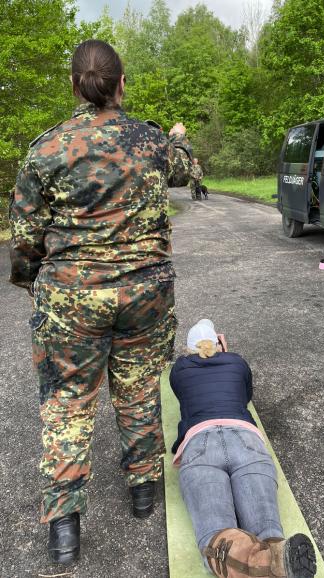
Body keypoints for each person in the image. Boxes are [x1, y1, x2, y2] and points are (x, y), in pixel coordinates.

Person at [9, 39, 192, 565]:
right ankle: (143, 492)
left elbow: (25, 240)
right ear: (121, 83)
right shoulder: (151, 142)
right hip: (146, 291)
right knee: (137, 390)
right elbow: (183, 172)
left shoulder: (46, 150)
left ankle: (64, 533)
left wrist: (34, 286)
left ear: (74, 85)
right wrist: (178, 138)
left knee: (67, 403)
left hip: (72, 297)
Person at [169, 319, 317, 578]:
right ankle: (274, 556)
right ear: (220, 344)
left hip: (200, 442)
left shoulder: (180, 368)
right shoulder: (237, 362)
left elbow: (183, 395)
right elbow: (245, 396)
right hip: (245, 440)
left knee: (217, 536)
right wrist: (226, 351)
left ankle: (241, 562)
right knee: (267, 527)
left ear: (189, 349)